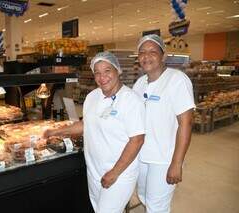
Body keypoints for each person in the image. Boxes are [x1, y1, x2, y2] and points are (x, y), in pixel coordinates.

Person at [44, 51, 145, 213]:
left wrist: (114, 172)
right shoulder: (92, 97)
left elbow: (137, 140)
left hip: (119, 174)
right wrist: (55, 132)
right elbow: (85, 125)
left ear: (117, 71)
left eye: (107, 70)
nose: (101, 76)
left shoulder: (131, 101)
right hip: (94, 170)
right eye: (97, 72)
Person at [132, 34, 195, 213]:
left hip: (164, 158)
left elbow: (186, 123)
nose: (146, 56)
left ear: (163, 56)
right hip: (142, 155)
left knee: (156, 207)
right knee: (143, 196)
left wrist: (176, 163)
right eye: (142, 52)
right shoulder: (139, 84)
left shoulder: (176, 80)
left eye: (152, 51)